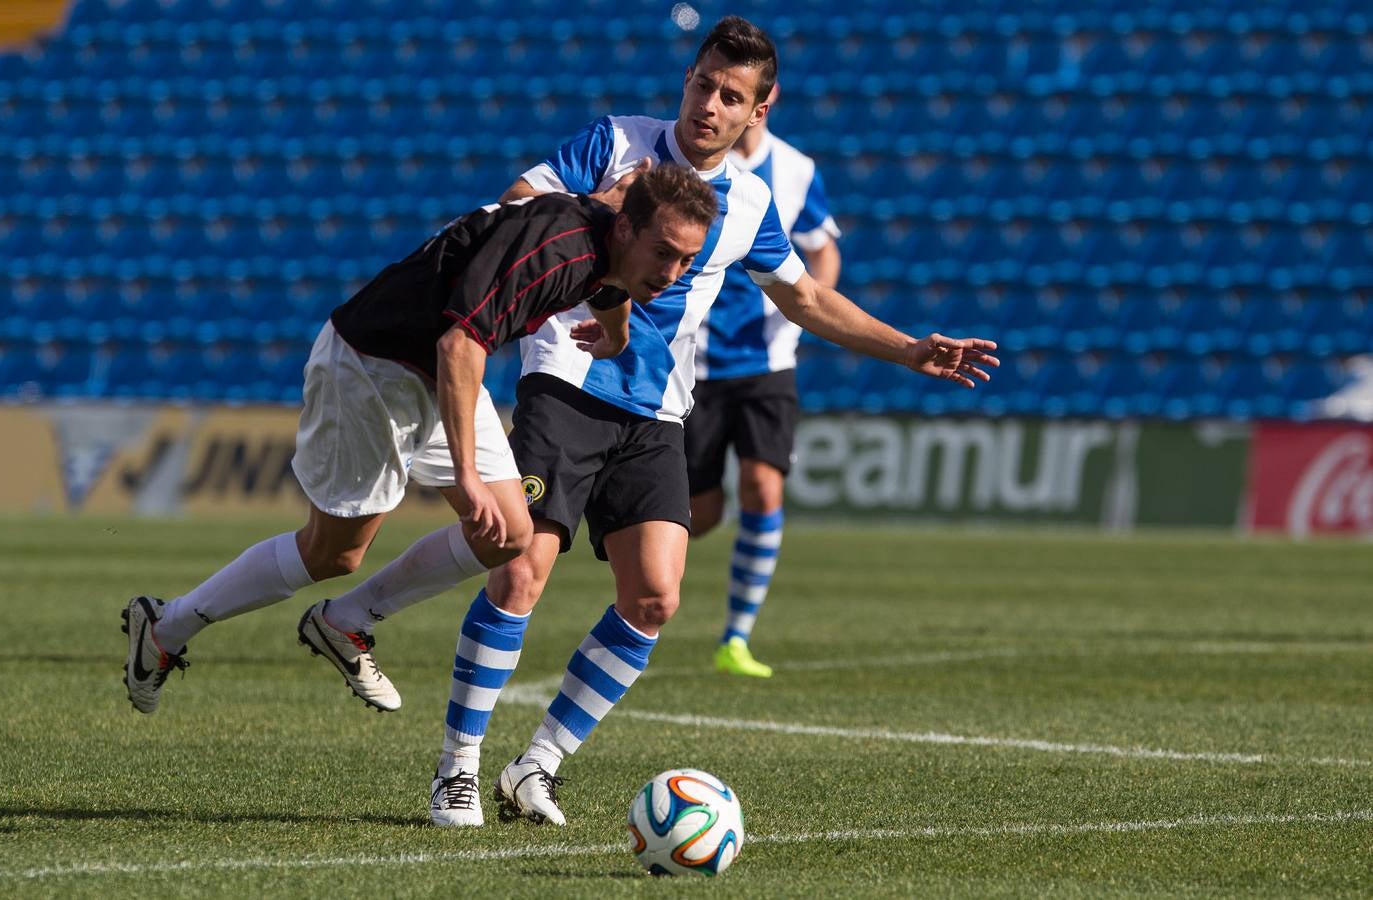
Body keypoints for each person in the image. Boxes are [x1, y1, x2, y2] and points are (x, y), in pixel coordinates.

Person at [414, 15, 999, 828]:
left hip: (657, 410)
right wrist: (602, 205)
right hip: (565, 380)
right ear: (685, 80)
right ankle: (457, 771)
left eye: (731, 96)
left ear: (761, 109)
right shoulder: (617, 141)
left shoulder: (752, 199)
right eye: (701, 84)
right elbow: (519, 201)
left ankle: (536, 765)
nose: (709, 106)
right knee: (519, 572)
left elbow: (805, 297)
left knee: (653, 598)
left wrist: (909, 350)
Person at [120, 166, 720, 716]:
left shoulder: (608, 244)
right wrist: (465, 476)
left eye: (685, 259)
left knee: (510, 532)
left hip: (438, 374)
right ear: (624, 226)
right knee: (334, 553)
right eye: (662, 252)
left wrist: (614, 336)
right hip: (372, 366)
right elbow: (460, 345)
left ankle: (346, 620)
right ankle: (166, 626)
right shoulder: (557, 251)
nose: (671, 273)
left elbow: (610, 282)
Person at [687, 83, 842, 679]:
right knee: (700, 517)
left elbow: (822, 250)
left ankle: (736, 637)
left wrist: (804, 306)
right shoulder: (696, 165)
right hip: (696, 363)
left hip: (768, 362)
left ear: (764, 101)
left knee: (764, 487)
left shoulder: (797, 170)